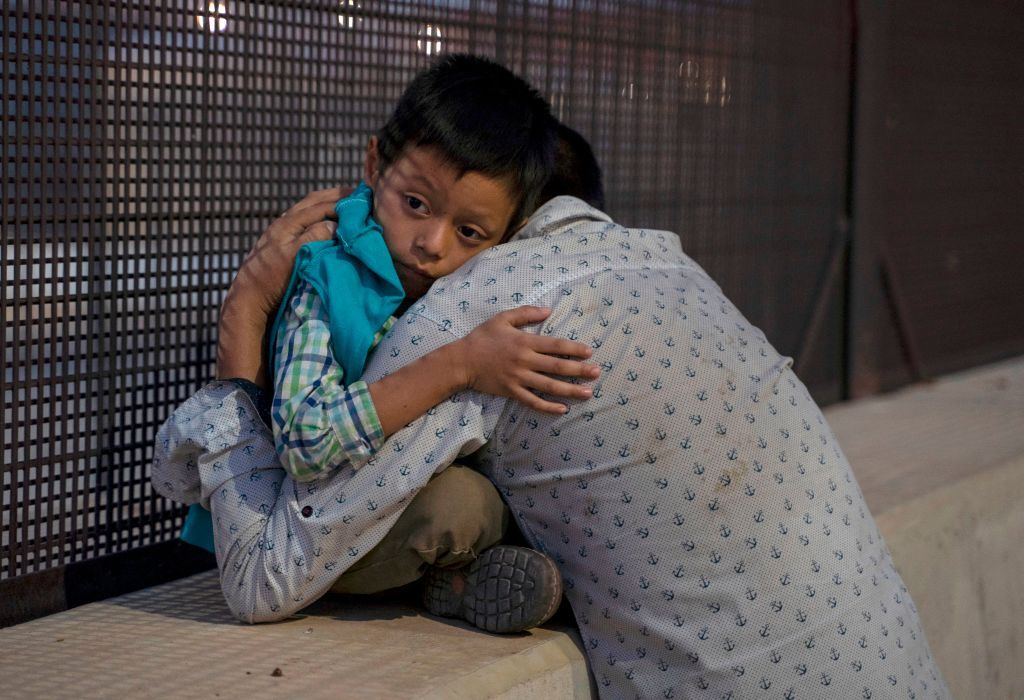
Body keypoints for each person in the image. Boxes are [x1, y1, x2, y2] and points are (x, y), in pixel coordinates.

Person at [154, 124, 950, 700]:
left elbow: (262, 577)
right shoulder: (675, 268)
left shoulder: (485, 314)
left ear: (508, 222)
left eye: (467, 228)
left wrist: (246, 316)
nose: (431, 250)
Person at [169, 54, 603, 634]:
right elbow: (306, 440)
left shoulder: (468, 286)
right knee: (461, 506)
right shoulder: (330, 278)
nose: (431, 243)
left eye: (469, 232)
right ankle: (442, 582)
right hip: (293, 516)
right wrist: (462, 364)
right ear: (375, 164)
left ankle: (456, 584)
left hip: (383, 497)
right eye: (415, 205)